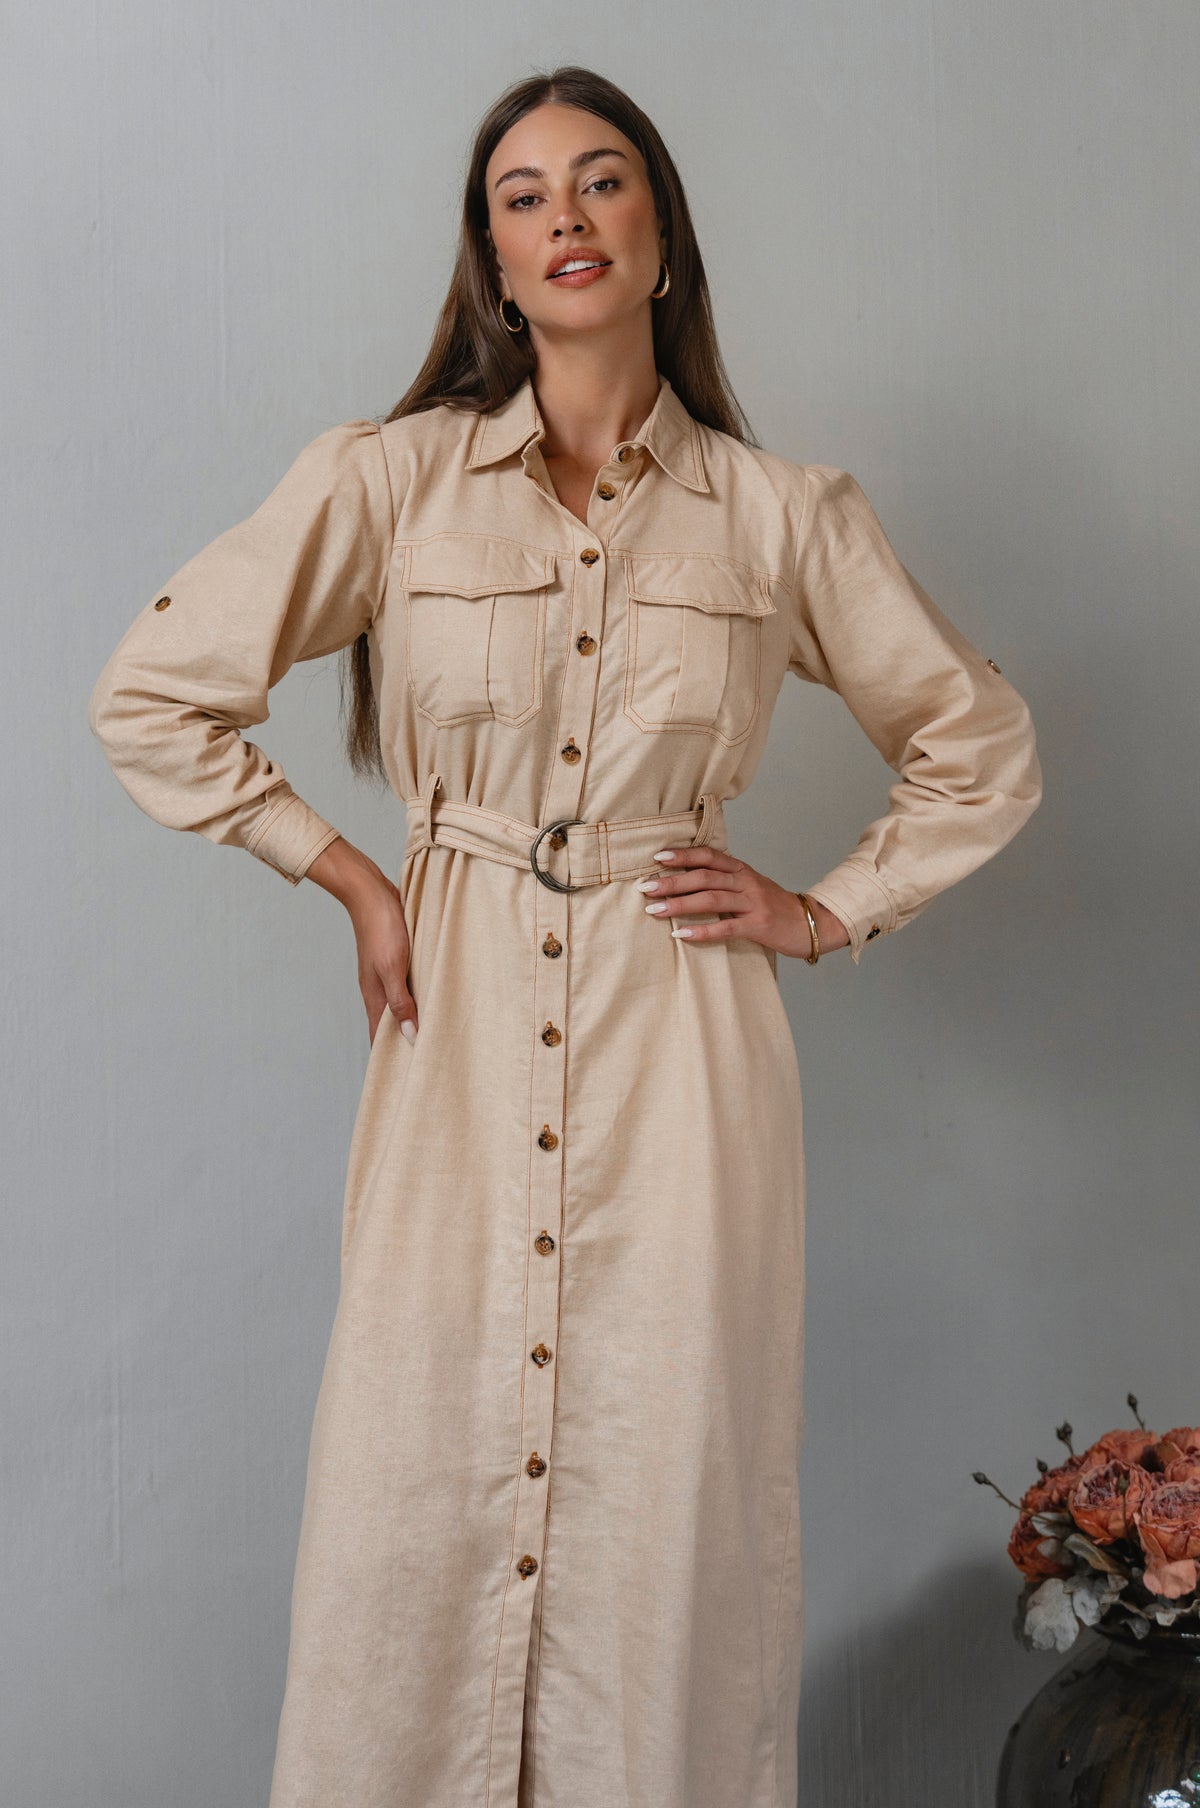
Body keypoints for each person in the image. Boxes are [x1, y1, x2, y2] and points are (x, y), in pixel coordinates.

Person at [87, 63, 1042, 1808]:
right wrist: (353, 873)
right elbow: (153, 694)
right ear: (491, 260)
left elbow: (981, 747)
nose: (566, 220)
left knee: (666, 1504)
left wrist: (825, 911)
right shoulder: (391, 483)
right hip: (454, 1026)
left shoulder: (781, 514)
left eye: (603, 185)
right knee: (414, 1492)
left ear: (662, 235)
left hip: (685, 1042)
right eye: (524, 198)